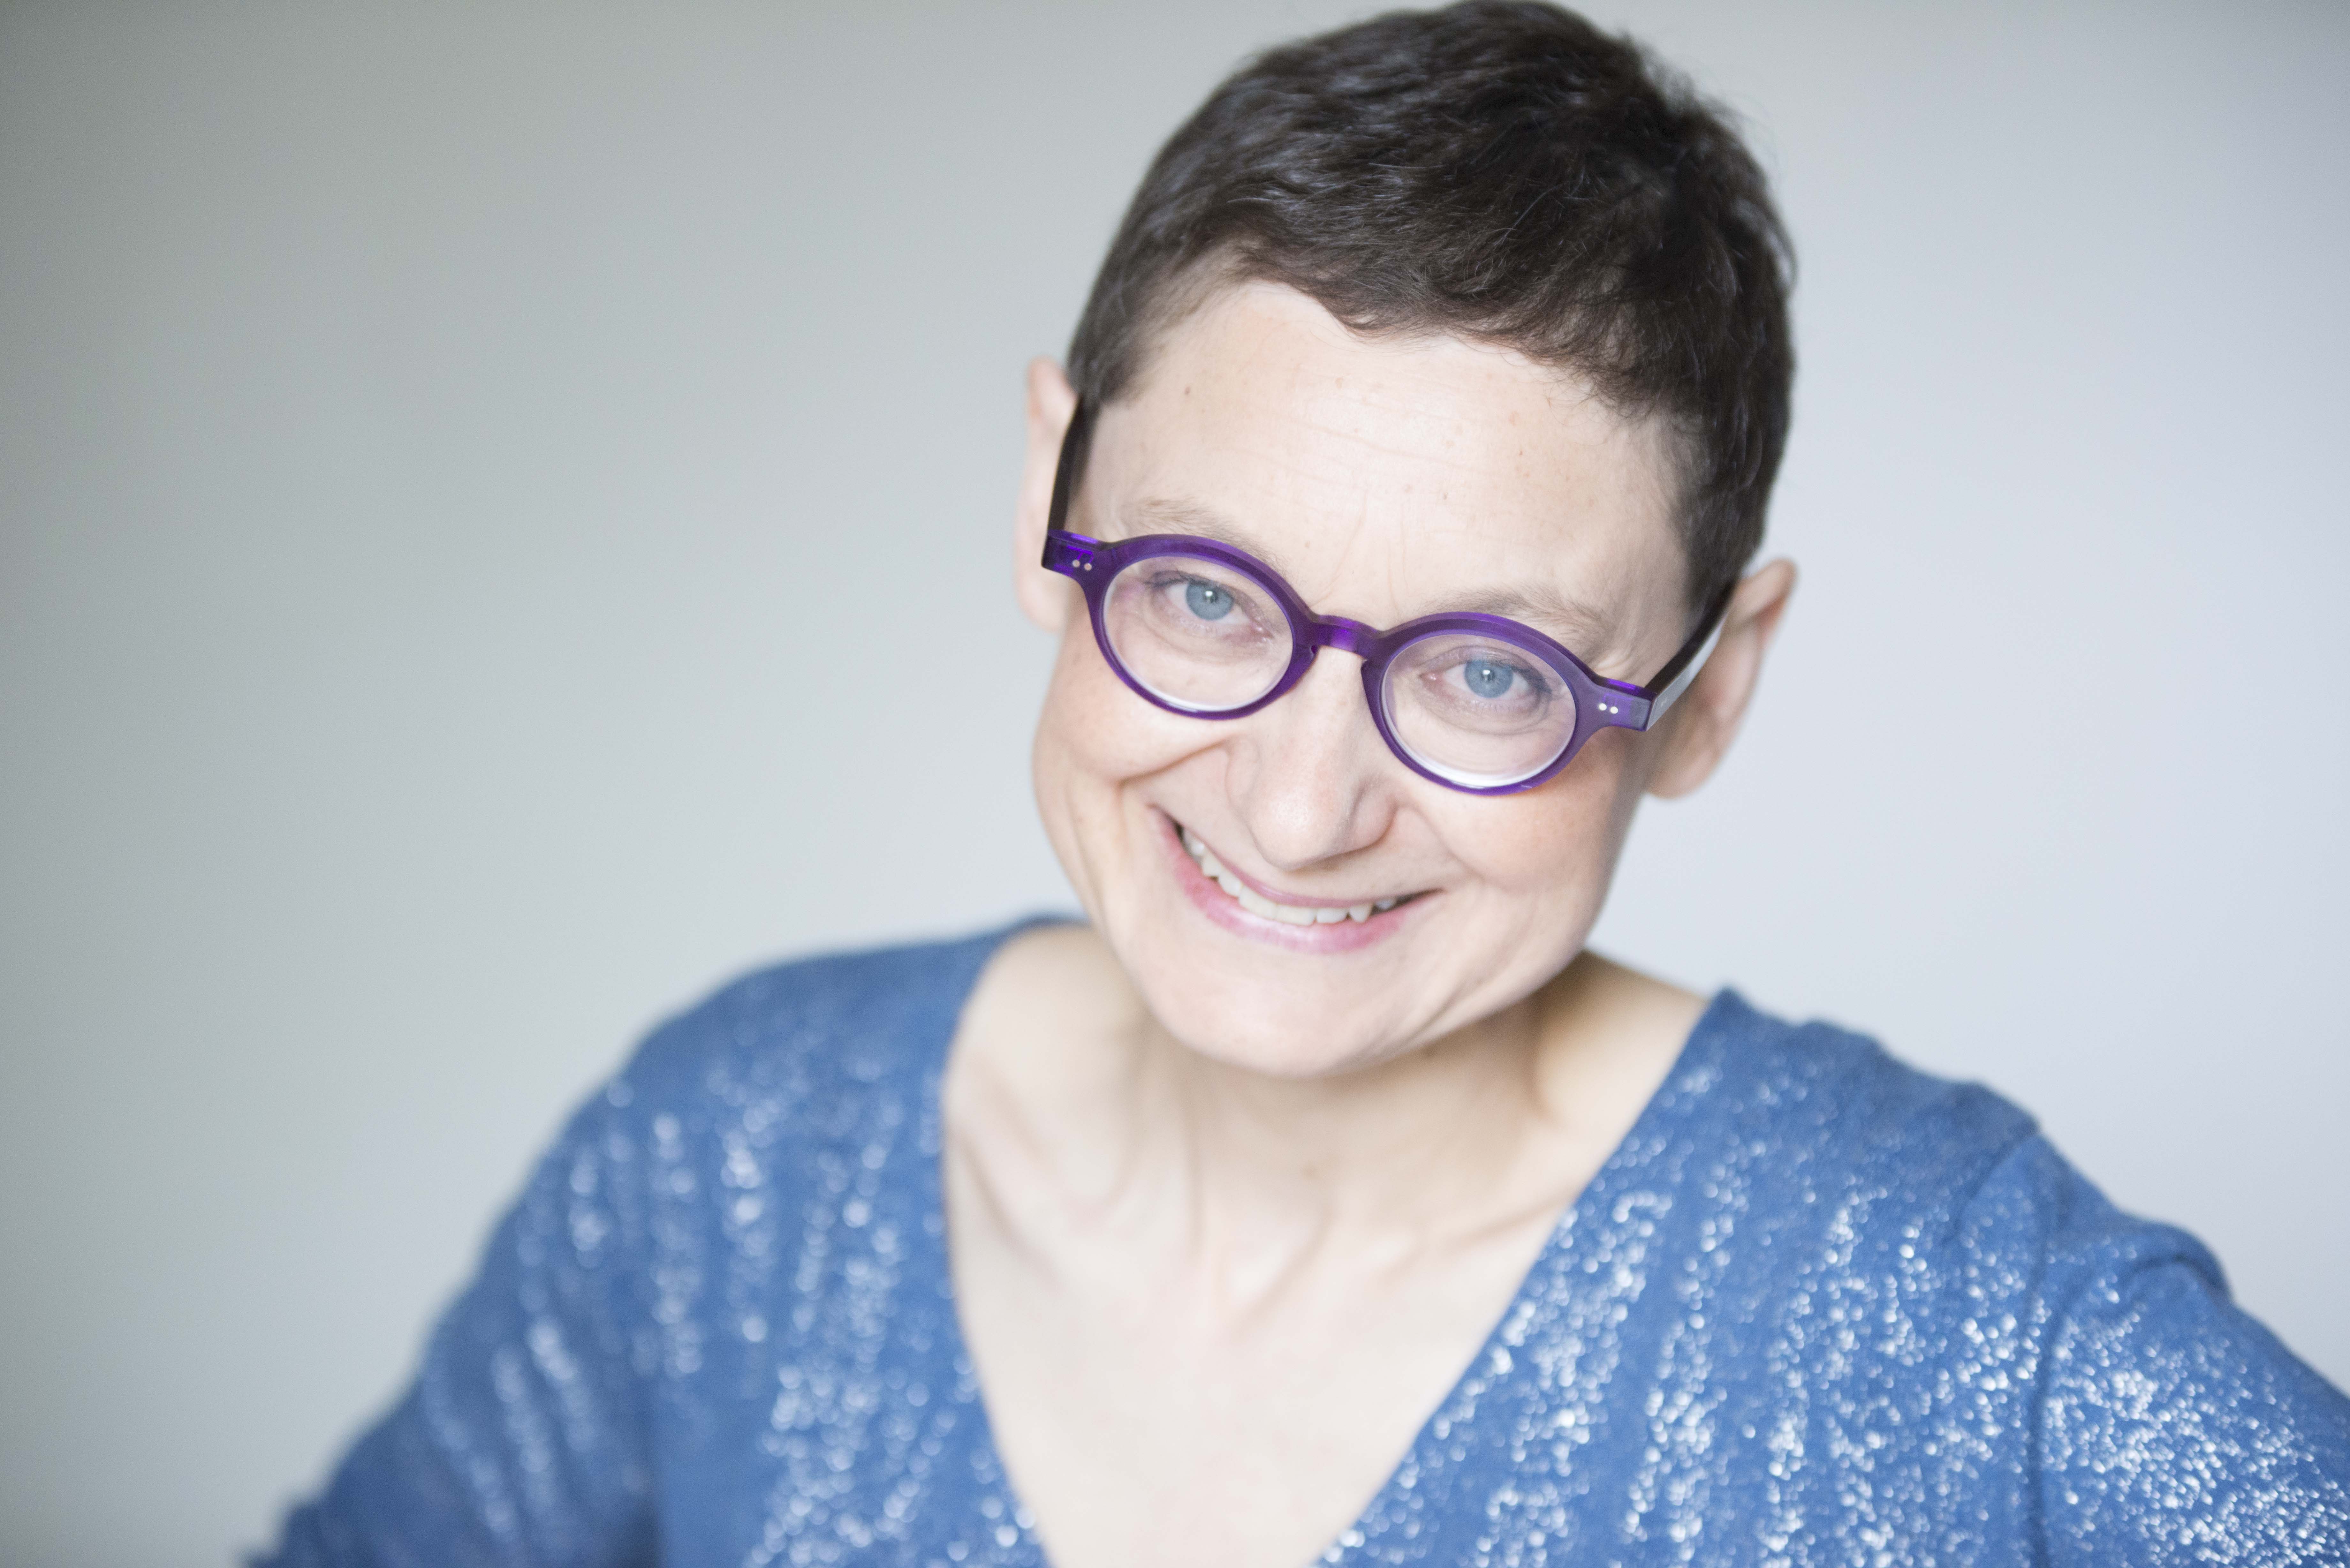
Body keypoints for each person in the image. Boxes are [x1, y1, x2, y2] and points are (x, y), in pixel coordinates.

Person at [256, 4, 2350, 1564]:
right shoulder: (729, 1164)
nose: (1293, 805)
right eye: (1201, 595)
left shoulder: (1939, 1302)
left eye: (1489, 671)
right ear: (1050, 497)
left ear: (1710, 693)